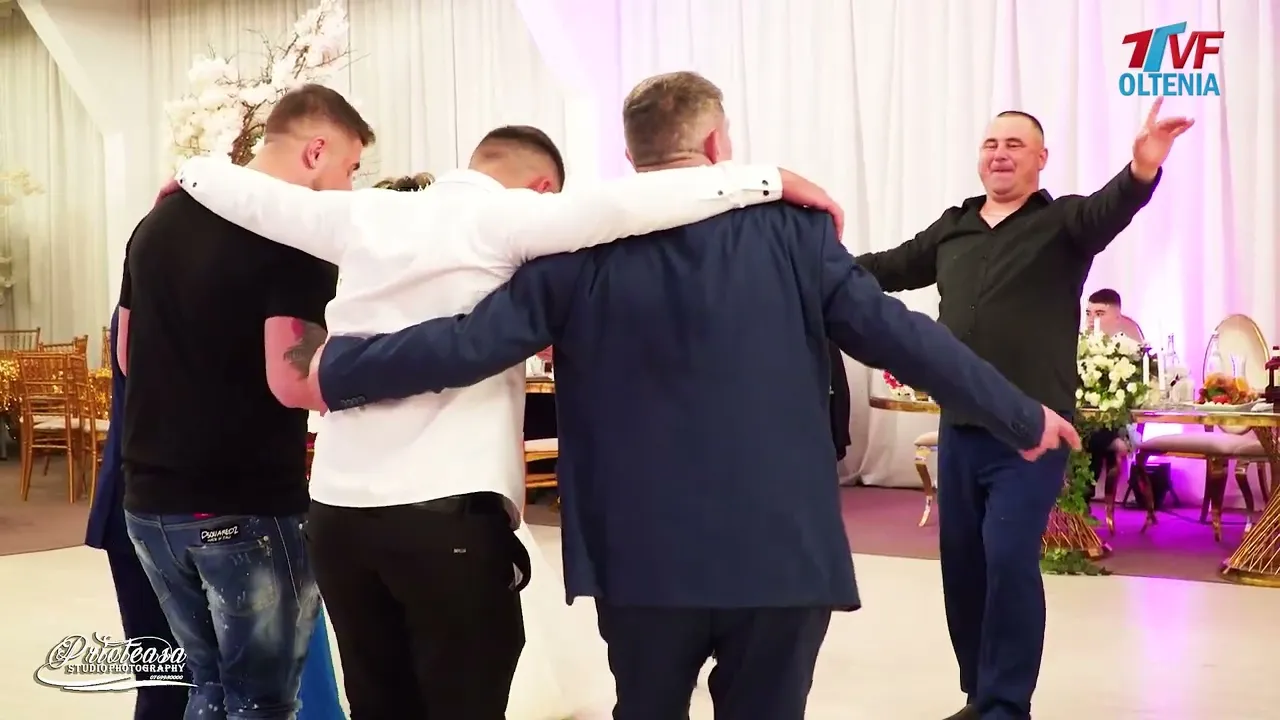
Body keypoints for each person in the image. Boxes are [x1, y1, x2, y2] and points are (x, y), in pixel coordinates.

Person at [307, 71, 1079, 720]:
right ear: (715, 147)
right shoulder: (794, 233)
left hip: (640, 559)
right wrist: (1020, 415)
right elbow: (902, 336)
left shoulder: (576, 248)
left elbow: (466, 345)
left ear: (631, 154)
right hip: (779, 555)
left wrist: (337, 372)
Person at [170, 122, 840, 720]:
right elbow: (629, 205)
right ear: (544, 186)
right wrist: (766, 180)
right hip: (444, 515)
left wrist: (192, 175)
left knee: (378, 700)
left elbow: (255, 198)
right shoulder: (511, 217)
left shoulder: (362, 211)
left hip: (339, 515)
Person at [852, 101, 1191, 720]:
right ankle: (980, 695)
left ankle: (1007, 705)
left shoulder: (1063, 223)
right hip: (961, 427)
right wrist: (809, 266)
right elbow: (885, 268)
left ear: (1040, 158)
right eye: (991, 144)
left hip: (1032, 433)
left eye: (1014, 144)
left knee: (1008, 558)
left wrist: (1142, 168)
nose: (1000, 153)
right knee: (965, 568)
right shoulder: (954, 227)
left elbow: (1111, 206)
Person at [116, 84, 373, 719]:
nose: (350, 188)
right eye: (351, 168)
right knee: (261, 703)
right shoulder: (292, 234)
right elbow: (293, 380)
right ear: (316, 151)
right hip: (243, 502)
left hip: (149, 502)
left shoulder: (156, 223)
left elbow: (124, 352)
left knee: (206, 686)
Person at [84, 308, 190, 720]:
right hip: (155, 505)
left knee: (168, 679)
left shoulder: (143, 296)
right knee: (168, 679)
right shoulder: (155, 298)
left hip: (148, 500)